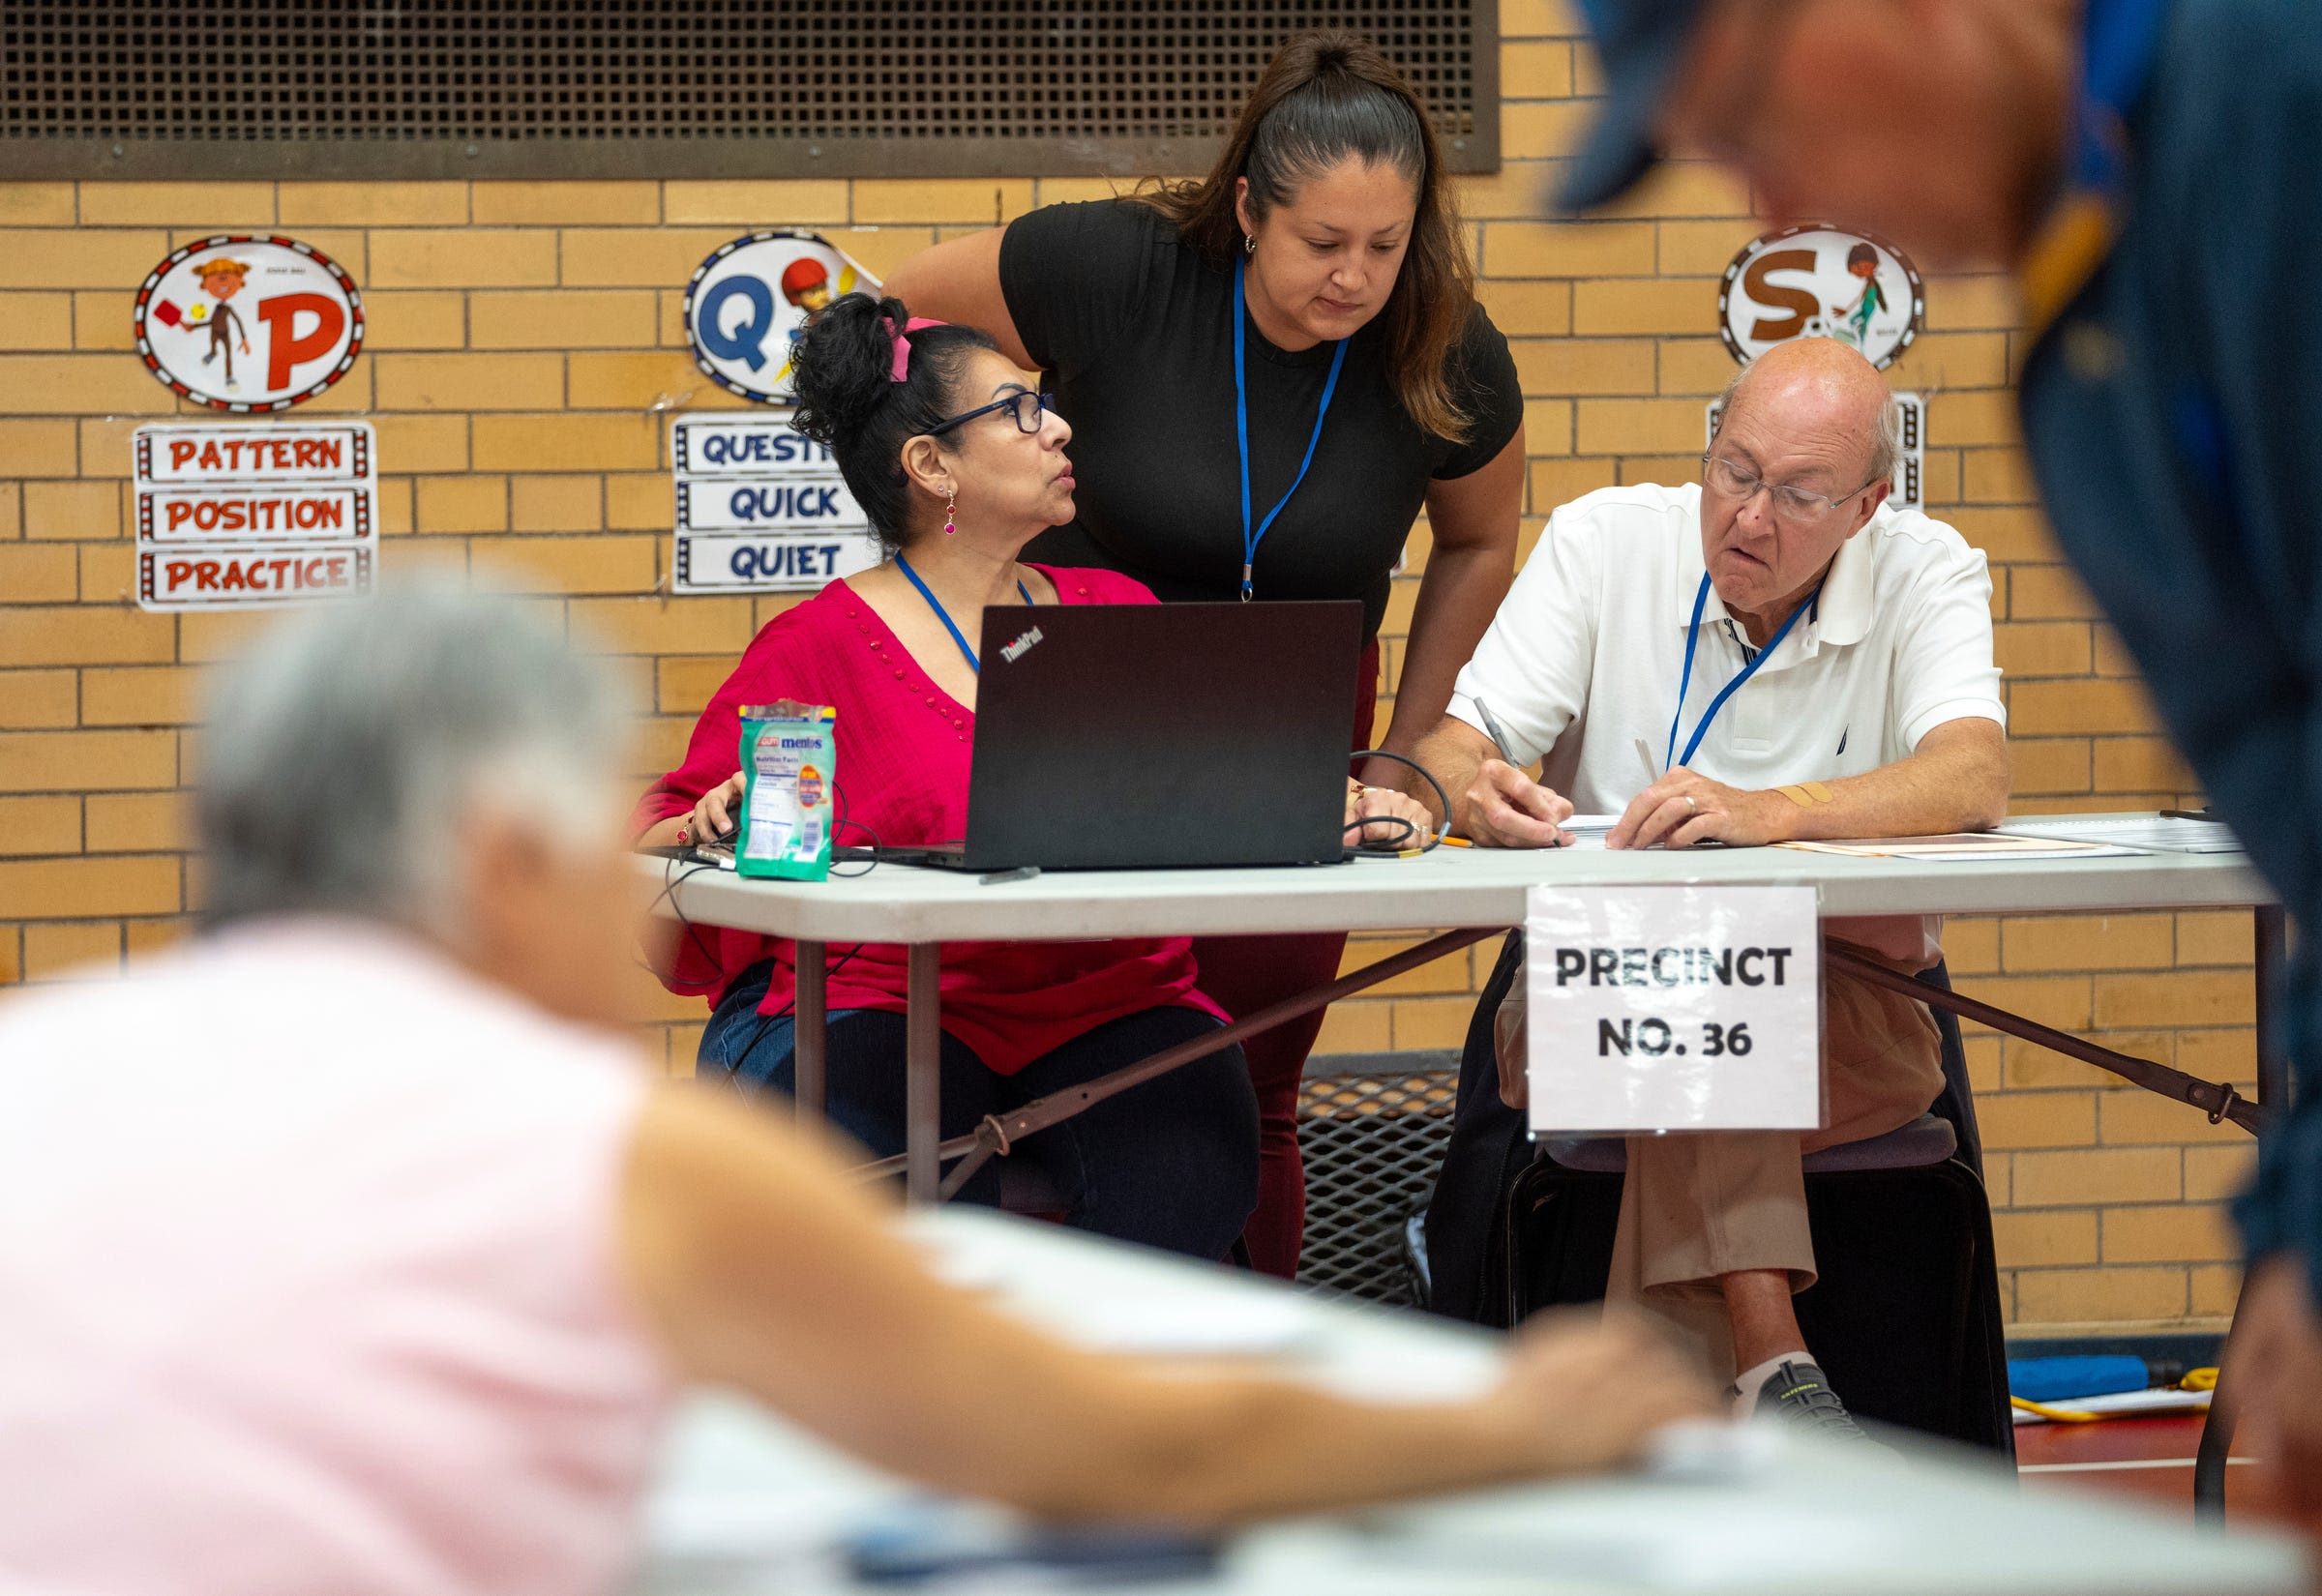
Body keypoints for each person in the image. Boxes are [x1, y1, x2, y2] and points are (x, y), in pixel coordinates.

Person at [0, 582, 1714, 1596]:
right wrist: (1506, 1420)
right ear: (505, 855)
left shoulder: (34, 1074)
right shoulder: (615, 1162)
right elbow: (1106, 1441)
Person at [1550, 0, 2322, 1530]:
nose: (1776, 213)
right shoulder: (2086, 358)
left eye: (1747, 129)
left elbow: (1977, 767)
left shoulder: (2272, 111)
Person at [883, 30, 1529, 1276]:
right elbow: (895, 322)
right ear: (1246, 208)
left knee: (1248, 1080)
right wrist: (964, 530)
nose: (1354, 279)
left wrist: (1405, 754)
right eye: (1321, 245)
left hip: (1299, 729)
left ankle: (1253, 1397)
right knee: (1058, 1061)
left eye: (1385, 248)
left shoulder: (1446, 344)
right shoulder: (1111, 267)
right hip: (1082, 706)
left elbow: (1480, 539)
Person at [634, 293, 1433, 1262]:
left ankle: (1119, 1411)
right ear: (932, 465)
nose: (1057, 426)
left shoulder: (1119, 611)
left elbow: (1206, 797)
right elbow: (655, 849)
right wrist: (709, 823)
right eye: (1016, 410)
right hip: (878, 1003)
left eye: (1043, 404)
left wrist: (1330, 807)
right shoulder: (814, 644)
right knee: (888, 1166)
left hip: (1106, 997)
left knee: (1192, 1154)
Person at [1416, 338, 2010, 1435]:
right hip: (1590, 998)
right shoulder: (1603, 540)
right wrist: (1476, 794)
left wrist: (1774, 813)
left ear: (1870, 504)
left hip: (1852, 1013)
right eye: (1734, 472)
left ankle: (1686, 1443)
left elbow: (1974, 772)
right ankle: (1770, 1353)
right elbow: (1455, 749)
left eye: (1799, 495)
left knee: (1701, 979)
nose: (1749, 517)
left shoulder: (1930, 566)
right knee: (1683, 968)